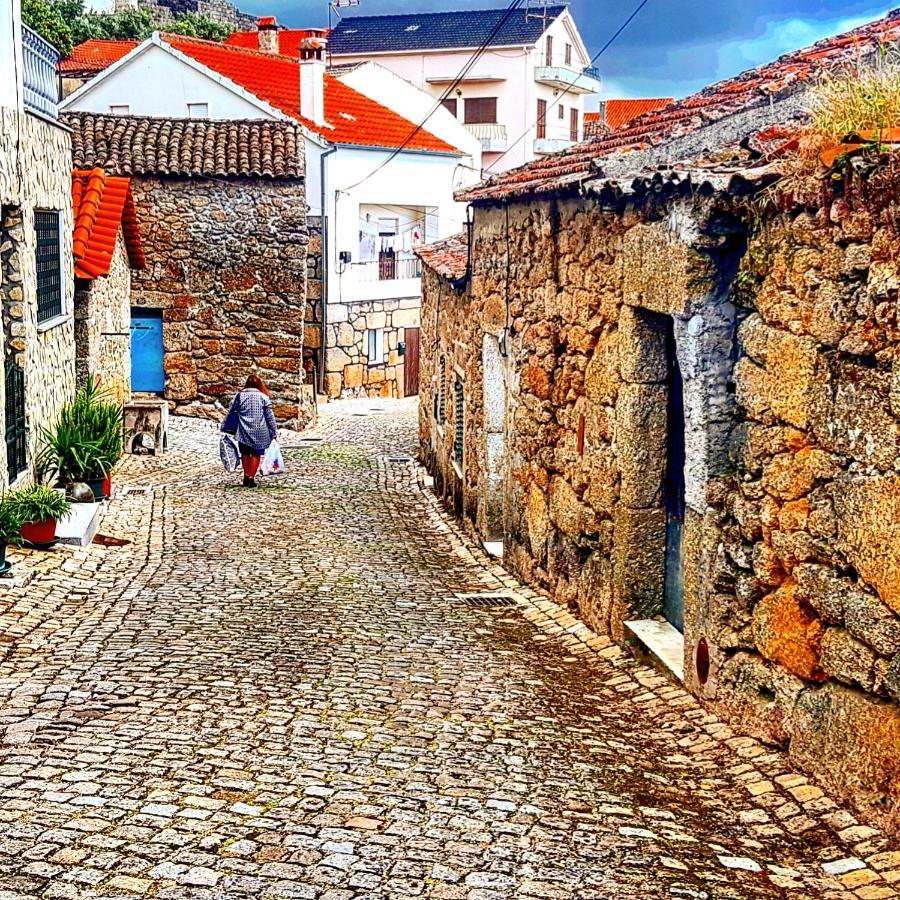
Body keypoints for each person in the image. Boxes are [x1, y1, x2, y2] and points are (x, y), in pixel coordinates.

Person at [222, 374, 278, 487]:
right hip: (260, 431)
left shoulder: (239, 396)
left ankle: (246, 475)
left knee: (245, 453)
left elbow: (230, 412)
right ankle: (251, 477)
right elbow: (269, 417)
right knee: (256, 453)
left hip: (243, 430)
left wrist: (224, 426)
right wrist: (274, 431)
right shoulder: (264, 398)